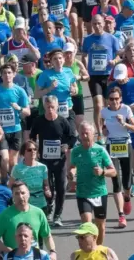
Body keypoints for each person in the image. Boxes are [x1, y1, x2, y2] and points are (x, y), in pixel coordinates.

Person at [29, 95, 77, 227]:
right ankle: (49, 205)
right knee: (47, 187)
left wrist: (67, 146)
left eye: (52, 107)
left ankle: (58, 215)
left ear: (56, 108)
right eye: (48, 107)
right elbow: (32, 137)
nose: (50, 110)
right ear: (44, 107)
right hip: (44, 161)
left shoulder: (62, 122)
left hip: (59, 161)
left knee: (61, 188)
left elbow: (73, 137)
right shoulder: (39, 121)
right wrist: (35, 148)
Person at [66, 122, 115, 245]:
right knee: (87, 225)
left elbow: (113, 171)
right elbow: (72, 166)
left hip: (99, 192)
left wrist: (102, 172)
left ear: (93, 134)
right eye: (82, 133)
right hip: (83, 192)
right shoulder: (76, 151)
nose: (84, 135)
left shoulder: (100, 150)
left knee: (100, 226)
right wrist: (71, 173)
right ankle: (88, 252)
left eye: (87, 132)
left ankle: (98, 250)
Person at [100, 87, 134, 228]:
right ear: (107, 101)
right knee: (116, 180)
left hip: (125, 144)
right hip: (112, 147)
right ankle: (121, 215)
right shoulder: (104, 112)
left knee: (127, 180)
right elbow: (102, 130)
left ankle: (127, 196)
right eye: (111, 99)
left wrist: (125, 123)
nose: (114, 102)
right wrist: (103, 131)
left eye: (117, 99)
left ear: (120, 99)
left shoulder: (126, 110)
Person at [0, 181, 55, 255]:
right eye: (16, 194)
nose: (20, 196)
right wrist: (8, 250)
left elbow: (47, 236)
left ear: (28, 194)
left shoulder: (38, 213)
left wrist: (52, 252)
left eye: (23, 193)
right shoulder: (5, 215)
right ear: (13, 196)